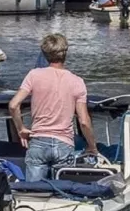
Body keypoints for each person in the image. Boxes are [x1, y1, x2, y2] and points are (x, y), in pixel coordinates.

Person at [8, 33, 97, 181]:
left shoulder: (33, 75)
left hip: (38, 142)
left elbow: (13, 105)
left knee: (34, 194)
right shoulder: (77, 82)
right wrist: (92, 146)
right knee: (61, 194)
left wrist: (21, 129)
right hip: (64, 143)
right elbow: (84, 122)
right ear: (65, 53)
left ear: (44, 54)